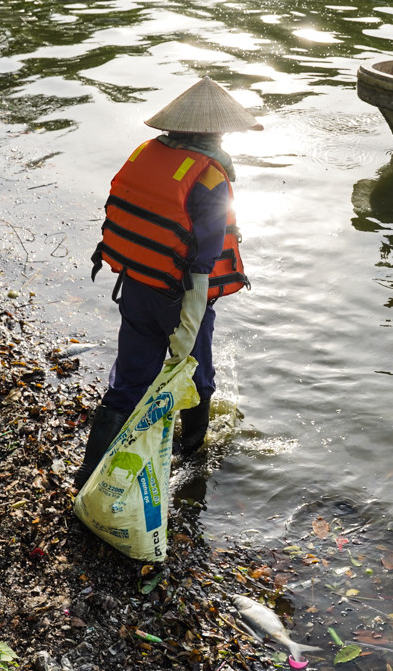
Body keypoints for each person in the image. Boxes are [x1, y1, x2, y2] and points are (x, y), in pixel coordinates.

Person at [75, 77, 261, 490]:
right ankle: (192, 460)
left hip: (136, 284)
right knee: (196, 375)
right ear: (217, 131)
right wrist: (191, 316)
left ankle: (88, 475)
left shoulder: (146, 153)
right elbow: (205, 256)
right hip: (181, 296)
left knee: (128, 382)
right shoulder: (211, 177)